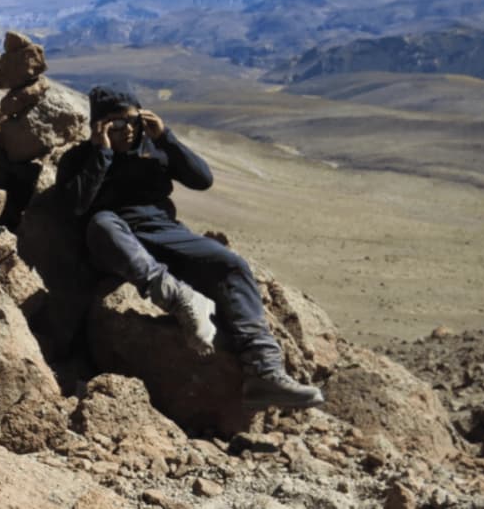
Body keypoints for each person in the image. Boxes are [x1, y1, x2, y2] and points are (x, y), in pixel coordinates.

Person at [56, 85, 324, 410]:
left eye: (126, 120)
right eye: (110, 122)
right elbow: (73, 206)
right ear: (96, 125)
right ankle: (179, 298)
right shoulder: (80, 158)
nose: (122, 129)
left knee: (231, 264)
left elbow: (202, 179)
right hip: (117, 242)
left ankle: (264, 371)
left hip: (166, 234)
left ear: (140, 118)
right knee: (102, 223)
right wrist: (101, 153)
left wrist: (166, 138)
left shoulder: (154, 147)